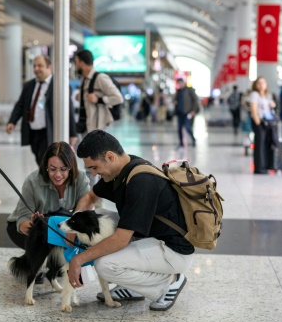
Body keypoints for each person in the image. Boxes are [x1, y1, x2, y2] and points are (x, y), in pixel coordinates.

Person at [67, 130, 193, 311]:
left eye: (94, 167)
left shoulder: (141, 181)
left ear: (109, 156)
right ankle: (133, 286)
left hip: (173, 251)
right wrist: (73, 227)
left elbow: (121, 239)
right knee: (100, 217)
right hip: (151, 238)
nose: (93, 174)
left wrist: (78, 260)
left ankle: (170, 281)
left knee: (104, 264)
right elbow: (90, 197)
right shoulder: (120, 170)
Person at [6, 141, 89, 249]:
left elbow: (85, 212)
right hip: (25, 229)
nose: (58, 175)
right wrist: (35, 226)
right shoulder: (32, 182)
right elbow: (22, 220)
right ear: (46, 166)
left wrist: (73, 229)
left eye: (63, 169)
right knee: (49, 245)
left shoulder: (81, 179)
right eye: (52, 169)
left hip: (63, 224)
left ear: (71, 168)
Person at [6, 55, 78, 166]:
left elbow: (69, 109)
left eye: (40, 66)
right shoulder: (29, 86)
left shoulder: (59, 85)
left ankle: (48, 181)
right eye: (34, 66)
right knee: (39, 160)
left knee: (47, 161)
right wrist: (12, 122)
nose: (36, 69)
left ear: (49, 67)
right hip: (33, 132)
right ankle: (46, 181)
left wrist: (72, 133)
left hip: (49, 132)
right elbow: (20, 105)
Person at [74, 49, 123, 187]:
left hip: (96, 128)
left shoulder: (100, 78)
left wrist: (100, 99)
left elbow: (118, 97)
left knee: (96, 164)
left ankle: (95, 196)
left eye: (76, 62)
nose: (75, 65)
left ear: (82, 63)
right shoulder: (84, 79)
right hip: (85, 126)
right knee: (88, 163)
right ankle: (92, 195)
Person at [248, 76, 279, 174]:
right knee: (260, 144)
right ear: (255, 85)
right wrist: (257, 122)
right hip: (260, 122)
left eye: (263, 83)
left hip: (268, 123)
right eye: (259, 83)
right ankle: (259, 167)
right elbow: (253, 109)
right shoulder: (254, 94)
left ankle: (266, 165)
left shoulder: (267, 95)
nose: (261, 85)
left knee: (266, 144)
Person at [173, 78, 199, 148]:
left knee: (188, 127)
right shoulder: (178, 91)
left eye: (180, 83)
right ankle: (181, 143)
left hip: (188, 112)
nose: (180, 85)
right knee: (179, 129)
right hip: (180, 113)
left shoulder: (189, 90)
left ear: (183, 83)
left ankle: (193, 139)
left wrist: (193, 110)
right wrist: (175, 102)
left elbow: (195, 100)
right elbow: (175, 99)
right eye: (179, 84)